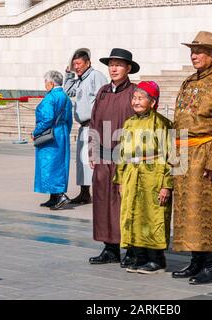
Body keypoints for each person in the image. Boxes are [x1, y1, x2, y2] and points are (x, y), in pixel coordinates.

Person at [172, 31, 212, 284]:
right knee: (187, 210)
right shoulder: (188, 81)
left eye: (199, 51)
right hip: (183, 153)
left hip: (206, 152)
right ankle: (195, 260)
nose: (194, 55)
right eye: (192, 51)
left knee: (209, 210)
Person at [113, 81, 173, 274]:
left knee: (152, 216)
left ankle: (157, 259)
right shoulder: (129, 123)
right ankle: (140, 256)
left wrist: (167, 184)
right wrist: (121, 179)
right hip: (132, 174)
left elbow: (170, 155)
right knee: (132, 215)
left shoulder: (161, 123)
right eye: (134, 98)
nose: (136, 101)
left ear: (153, 102)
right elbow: (122, 152)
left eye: (141, 98)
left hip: (153, 175)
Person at [88, 48, 140, 267]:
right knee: (102, 202)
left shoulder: (135, 92)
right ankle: (110, 248)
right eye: (111, 65)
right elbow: (93, 122)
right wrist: (92, 149)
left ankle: (131, 249)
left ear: (128, 68)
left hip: (126, 158)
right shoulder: (103, 92)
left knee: (125, 203)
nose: (114, 68)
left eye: (119, 65)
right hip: (103, 156)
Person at [64, 48, 108, 205]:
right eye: (74, 64)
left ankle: (100, 193)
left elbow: (104, 99)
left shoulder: (96, 76)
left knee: (94, 160)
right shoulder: (80, 79)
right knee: (83, 161)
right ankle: (84, 193)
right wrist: (68, 74)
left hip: (94, 125)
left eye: (79, 63)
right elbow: (68, 91)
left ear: (88, 63)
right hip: (84, 126)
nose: (76, 66)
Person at [33, 70, 73, 210]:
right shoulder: (65, 97)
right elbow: (69, 119)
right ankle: (54, 197)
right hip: (61, 132)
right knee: (59, 165)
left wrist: (35, 132)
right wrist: (64, 132)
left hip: (50, 135)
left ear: (50, 83)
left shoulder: (50, 98)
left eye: (45, 82)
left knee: (49, 165)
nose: (45, 85)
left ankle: (60, 196)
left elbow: (47, 119)